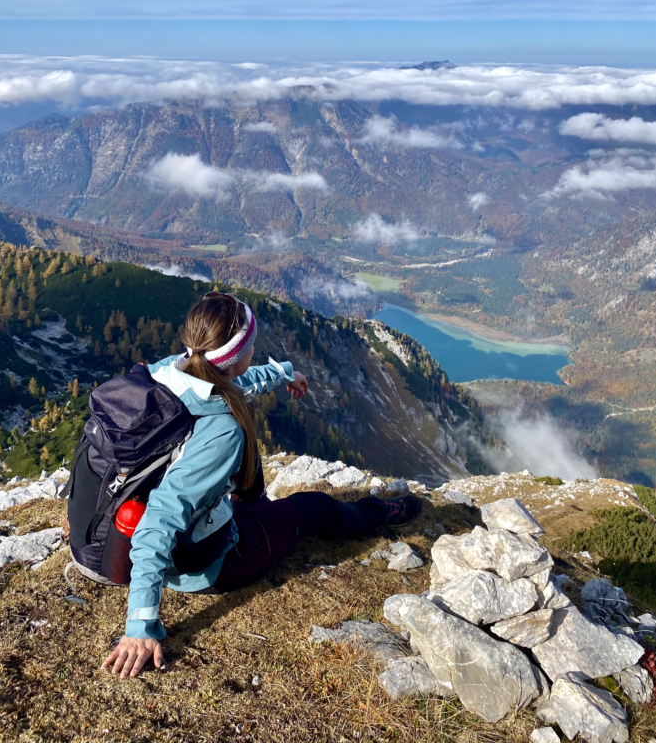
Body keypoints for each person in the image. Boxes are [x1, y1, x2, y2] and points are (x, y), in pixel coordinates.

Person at [102, 290, 422, 678]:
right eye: (251, 345)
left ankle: (258, 509)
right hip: (213, 564)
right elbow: (159, 522)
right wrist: (139, 627)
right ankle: (378, 514)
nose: (254, 350)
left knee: (245, 445)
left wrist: (287, 373)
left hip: (176, 527)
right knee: (315, 507)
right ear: (237, 355)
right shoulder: (222, 433)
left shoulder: (172, 369)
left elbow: (235, 383)